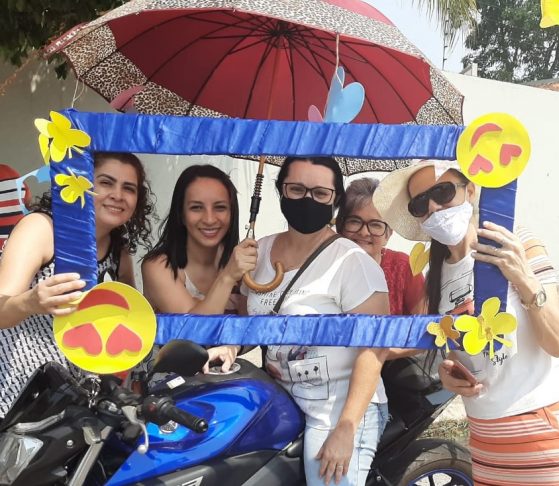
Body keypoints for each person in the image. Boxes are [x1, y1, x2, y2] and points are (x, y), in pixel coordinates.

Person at [374, 159, 559, 486]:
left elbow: (558, 342)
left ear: (470, 189)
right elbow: (459, 351)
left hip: (542, 428)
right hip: (485, 437)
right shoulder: (435, 277)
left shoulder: (515, 243)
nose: (433, 207)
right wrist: (449, 373)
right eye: (420, 203)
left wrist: (524, 279)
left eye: (442, 192)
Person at [242, 156, 389, 486]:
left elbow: (374, 348)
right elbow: (248, 322)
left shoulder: (353, 262)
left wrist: (346, 428)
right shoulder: (258, 252)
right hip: (280, 400)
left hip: (337, 409)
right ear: (281, 191)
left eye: (320, 193)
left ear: (335, 200)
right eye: (296, 189)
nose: (307, 199)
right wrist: (229, 346)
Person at [0, 152, 154, 416]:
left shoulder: (119, 248)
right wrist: (30, 302)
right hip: (14, 396)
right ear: (79, 184)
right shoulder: (42, 228)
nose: (118, 195)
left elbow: (131, 321)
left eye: (129, 188)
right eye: (106, 182)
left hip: (70, 407)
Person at [142, 165, 257, 373]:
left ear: (232, 213)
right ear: (181, 214)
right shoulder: (158, 266)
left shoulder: (240, 262)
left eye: (220, 207)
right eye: (196, 208)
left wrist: (234, 346)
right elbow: (196, 335)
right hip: (168, 384)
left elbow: (252, 329)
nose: (209, 219)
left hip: (225, 381)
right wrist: (227, 277)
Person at [336, 177, 425, 315]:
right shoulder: (326, 267)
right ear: (341, 225)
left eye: (375, 225)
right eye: (355, 221)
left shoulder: (405, 268)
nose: (364, 232)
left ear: (388, 233)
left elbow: (424, 323)